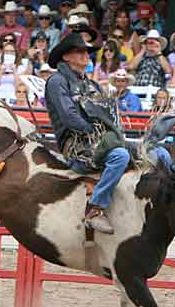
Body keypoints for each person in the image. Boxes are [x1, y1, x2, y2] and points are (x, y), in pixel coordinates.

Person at [44, 33, 130, 234]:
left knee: (156, 153)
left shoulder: (92, 85)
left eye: (87, 52)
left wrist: (111, 132)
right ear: (66, 57)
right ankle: (95, 209)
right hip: (77, 146)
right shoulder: (57, 81)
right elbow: (68, 116)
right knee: (120, 156)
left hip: (99, 141)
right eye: (80, 51)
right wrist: (95, 131)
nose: (86, 55)